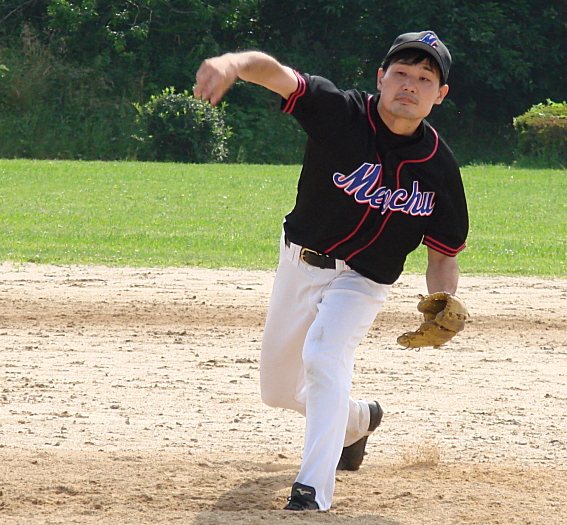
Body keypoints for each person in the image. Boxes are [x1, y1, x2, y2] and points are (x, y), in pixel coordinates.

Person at [194, 30, 469, 511]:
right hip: (300, 261)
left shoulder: (439, 169)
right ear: (381, 78)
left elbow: (443, 255)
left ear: (440, 94)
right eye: (401, 73)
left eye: (425, 78)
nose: (410, 84)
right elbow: (277, 75)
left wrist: (441, 301)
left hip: (363, 281)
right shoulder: (340, 112)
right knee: (277, 391)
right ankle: (357, 420)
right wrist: (234, 63)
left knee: (324, 355)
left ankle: (312, 491)